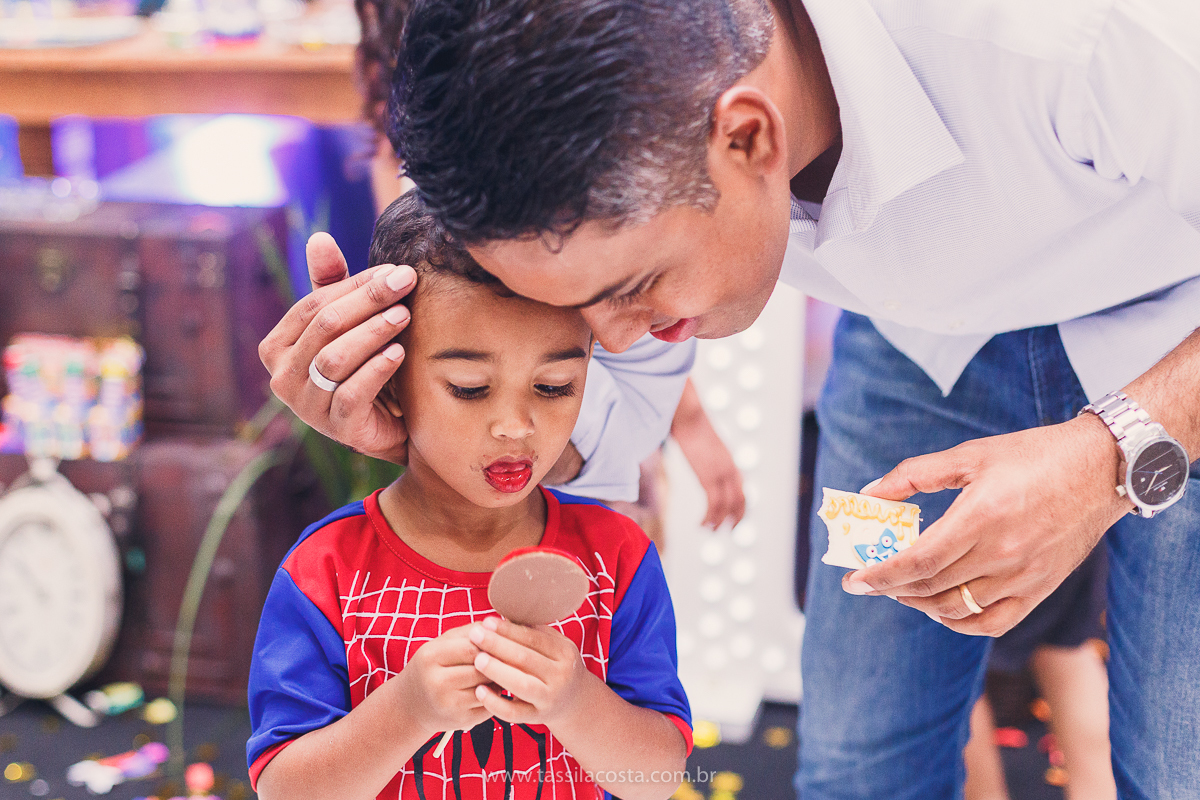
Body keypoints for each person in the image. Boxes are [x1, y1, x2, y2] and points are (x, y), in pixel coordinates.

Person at [259, 1, 1200, 798]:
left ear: (749, 136)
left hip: (1180, 319)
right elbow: (615, 425)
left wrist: (1108, 454)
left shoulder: (1074, 39)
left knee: (1177, 754)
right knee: (858, 758)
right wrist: (431, 428)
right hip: (923, 344)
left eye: (634, 287)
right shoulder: (574, 148)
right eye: (577, 313)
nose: (617, 339)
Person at [247, 192, 692, 800]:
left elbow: (658, 778)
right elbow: (284, 790)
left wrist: (574, 701)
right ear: (388, 381)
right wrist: (405, 710)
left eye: (555, 385)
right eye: (470, 387)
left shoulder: (617, 557)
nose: (516, 426)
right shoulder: (326, 570)